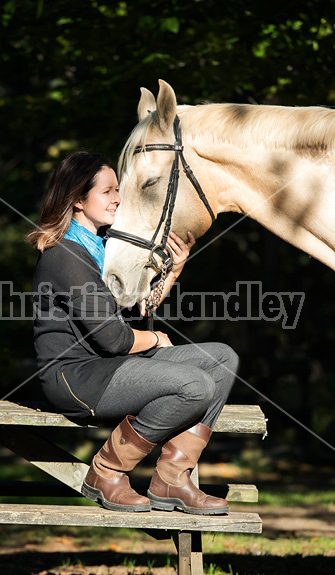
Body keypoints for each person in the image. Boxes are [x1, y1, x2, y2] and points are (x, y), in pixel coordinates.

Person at [27, 151, 239, 515]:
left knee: (221, 358)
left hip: (106, 365)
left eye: (117, 190)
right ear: (78, 199)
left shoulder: (100, 249)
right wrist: (157, 340)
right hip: (75, 377)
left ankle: (172, 478)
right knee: (196, 385)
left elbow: (135, 311)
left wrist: (172, 273)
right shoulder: (65, 255)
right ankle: (106, 472)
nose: (118, 199)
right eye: (107, 191)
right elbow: (116, 339)